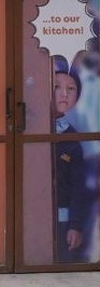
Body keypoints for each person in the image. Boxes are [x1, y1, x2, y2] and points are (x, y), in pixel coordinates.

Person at [53, 69, 91, 263]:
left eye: (71, 88)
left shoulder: (73, 139)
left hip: (61, 220)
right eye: (57, 86)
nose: (64, 93)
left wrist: (75, 226)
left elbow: (78, 187)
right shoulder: (28, 128)